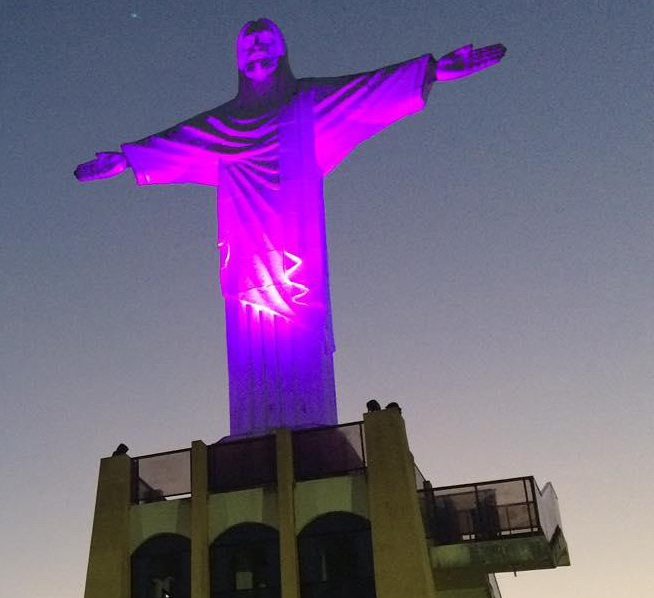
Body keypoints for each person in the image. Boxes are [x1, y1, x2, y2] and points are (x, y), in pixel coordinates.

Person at [76, 19, 505, 436]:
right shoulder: (223, 124)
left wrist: (433, 71)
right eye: (248, 45)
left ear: (281, 50)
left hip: (297, 249)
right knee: (248, 332)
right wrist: (125, 159)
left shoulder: (308, 102)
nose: (256, 49)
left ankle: (309, 430)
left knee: (301, 334)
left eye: (265, 41)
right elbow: (178, 142)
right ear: (238, 60)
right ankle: (252, 436)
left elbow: (366, 91)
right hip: (246, 255)